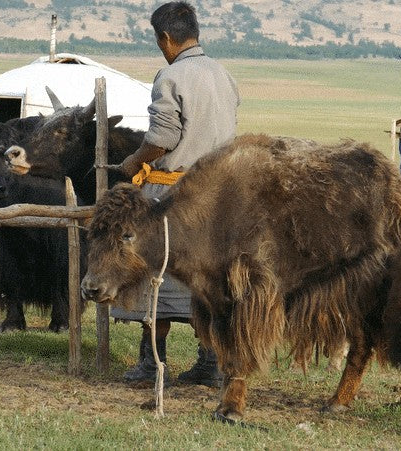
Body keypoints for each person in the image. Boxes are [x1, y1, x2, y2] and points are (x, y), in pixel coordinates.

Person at [108, 1, 240, 388]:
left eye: (157, 41)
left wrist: (134, 161)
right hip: (217, 197)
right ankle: (211, 363)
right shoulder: (224, 75)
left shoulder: (171, 76)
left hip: (173, 195)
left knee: (156, 275)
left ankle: (152, 363)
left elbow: (163, 138)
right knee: (210, 279)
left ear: (165, 37)